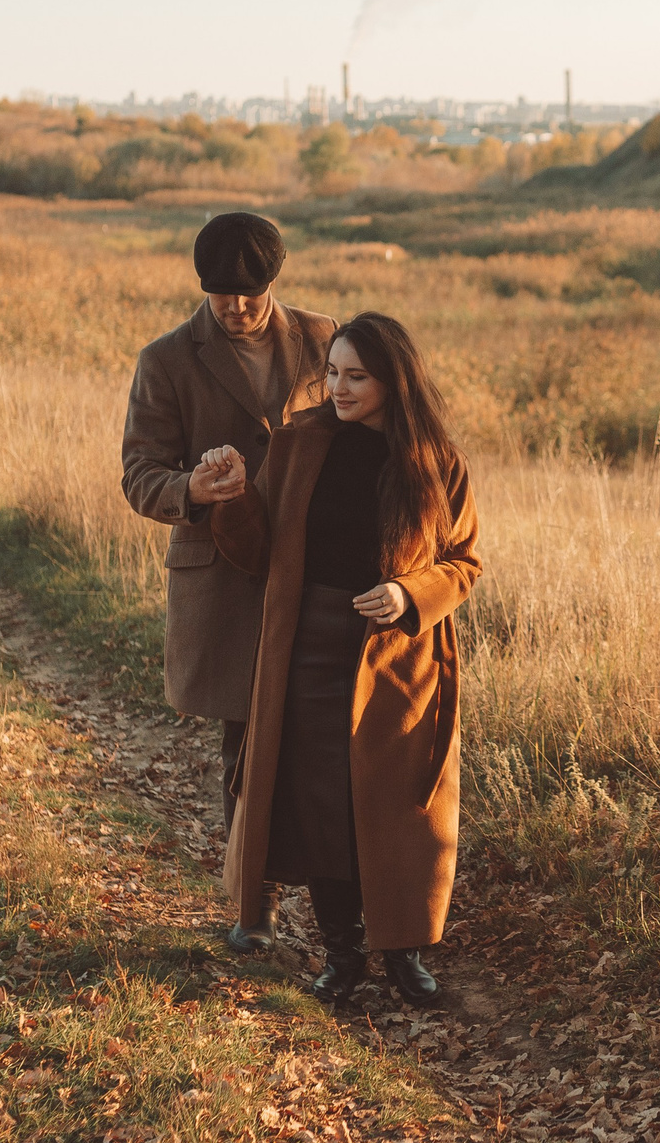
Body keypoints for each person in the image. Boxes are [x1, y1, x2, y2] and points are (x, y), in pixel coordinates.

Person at [193, 312, 480, 1006]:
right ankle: (342, 955)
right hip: (310, 648)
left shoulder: (437, 460)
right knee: (323, 805)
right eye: (333, 374)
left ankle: (403, 953)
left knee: (396, 807)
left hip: (400, 659)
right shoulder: (298, 444)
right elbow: (258, 553)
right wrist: (232, 498)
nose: (339, 388)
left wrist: (410, 593)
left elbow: (464, 562)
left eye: (356, 377)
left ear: (392, 381)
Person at [121, 212, 336, 832]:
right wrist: (190, 486)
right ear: (202, 285)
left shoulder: (326, 340)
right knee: (245, 746)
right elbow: (139, 474)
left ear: (275, 279)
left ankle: (334, 913)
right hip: (225, 583)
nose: (237, 306)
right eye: (221, 295)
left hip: (318, 569)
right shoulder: (164, 360)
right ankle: (255, 905)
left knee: (322, 739)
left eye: (251, 292)